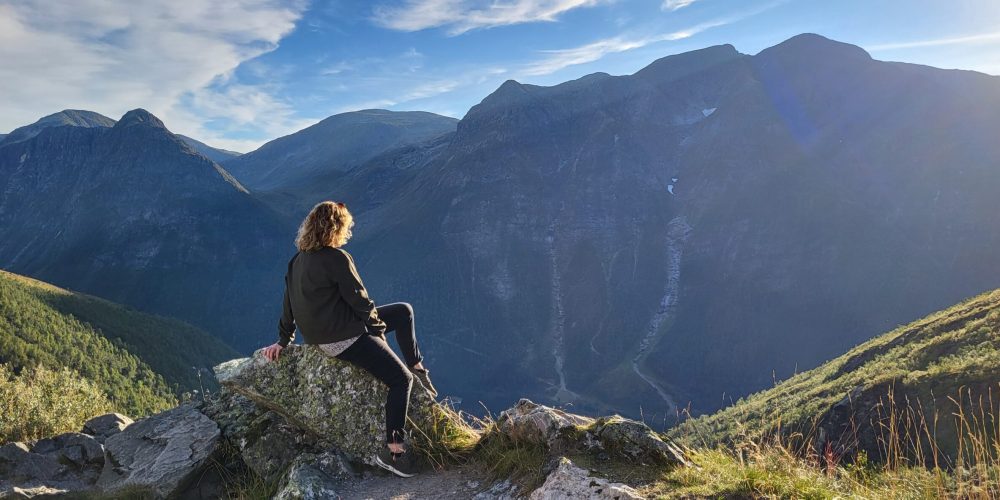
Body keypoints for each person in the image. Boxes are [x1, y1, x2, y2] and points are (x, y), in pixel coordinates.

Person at [260, 200, 437, 478]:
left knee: (404, 312)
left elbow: (288, 305)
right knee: (401, 380)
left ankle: (417, 365)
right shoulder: (337, 258)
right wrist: (378, 333)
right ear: (337, 228)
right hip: (344, 337)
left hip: (323, 335)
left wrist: (283, 340)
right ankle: (394, 451)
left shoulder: (297, 260)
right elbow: (361, 302)